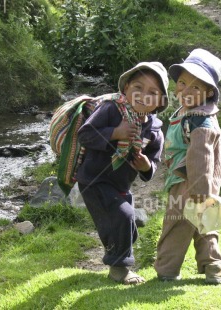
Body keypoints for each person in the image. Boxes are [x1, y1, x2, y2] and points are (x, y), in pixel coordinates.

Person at [76, 62, 169, 285]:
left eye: (152, 93)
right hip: (94, 179)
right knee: (124, 217)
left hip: (121, 184)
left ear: (159, 103)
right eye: (138, 87)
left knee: (126, 222)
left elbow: (152, 167)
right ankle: (119, 269)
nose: (143, 95)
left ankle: (117, 251)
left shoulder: (154, 131)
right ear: (125, 88)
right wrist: (115, 132)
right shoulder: (110, 109)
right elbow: (85, 134)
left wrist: (146, 166)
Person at [154, 48, 221, 284]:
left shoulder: (200, 121)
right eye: (182, 83)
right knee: (204, 224)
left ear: (208, 92)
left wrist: (198, 191)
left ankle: (167, 269)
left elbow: (201, 156)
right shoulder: (189, 112)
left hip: (191, 181)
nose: (185, 91)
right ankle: (214, 267)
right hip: (198, 183)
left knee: (176, 223)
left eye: (195, 87)